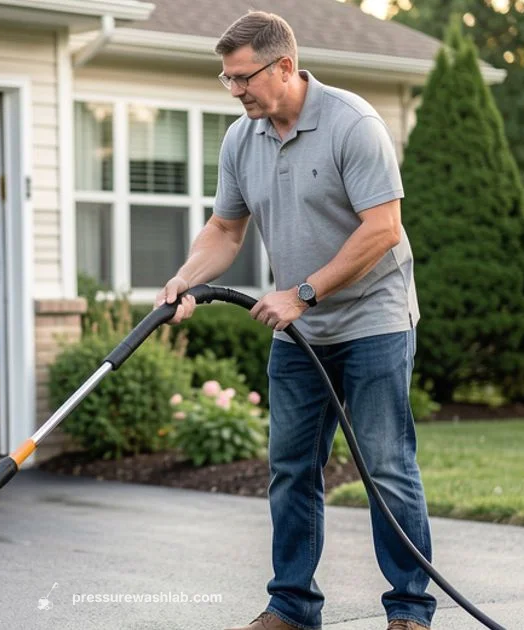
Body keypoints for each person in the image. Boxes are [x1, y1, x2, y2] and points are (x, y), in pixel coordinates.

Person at [153, 11, 435, 630]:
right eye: (226, 80)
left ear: (284, 66)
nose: (236, 90)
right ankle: (292, 607)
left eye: (243, 78)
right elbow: (225, 230)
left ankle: (410, 611)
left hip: (373, 320)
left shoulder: (352, 123)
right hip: (302, 331)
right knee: (291, 468)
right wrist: (186, 277)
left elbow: (383, 229)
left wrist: (302, 293)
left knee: (385, 466)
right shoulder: (240, 140)